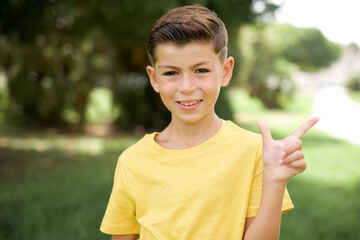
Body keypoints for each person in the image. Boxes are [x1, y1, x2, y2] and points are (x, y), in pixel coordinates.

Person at [100, 4, 319, 240]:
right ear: (154, 78)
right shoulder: (132, 162)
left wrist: (275, 181)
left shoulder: (255, 152)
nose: (187, 87)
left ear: (225, 72)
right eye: (171, 73)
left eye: (201, 70)